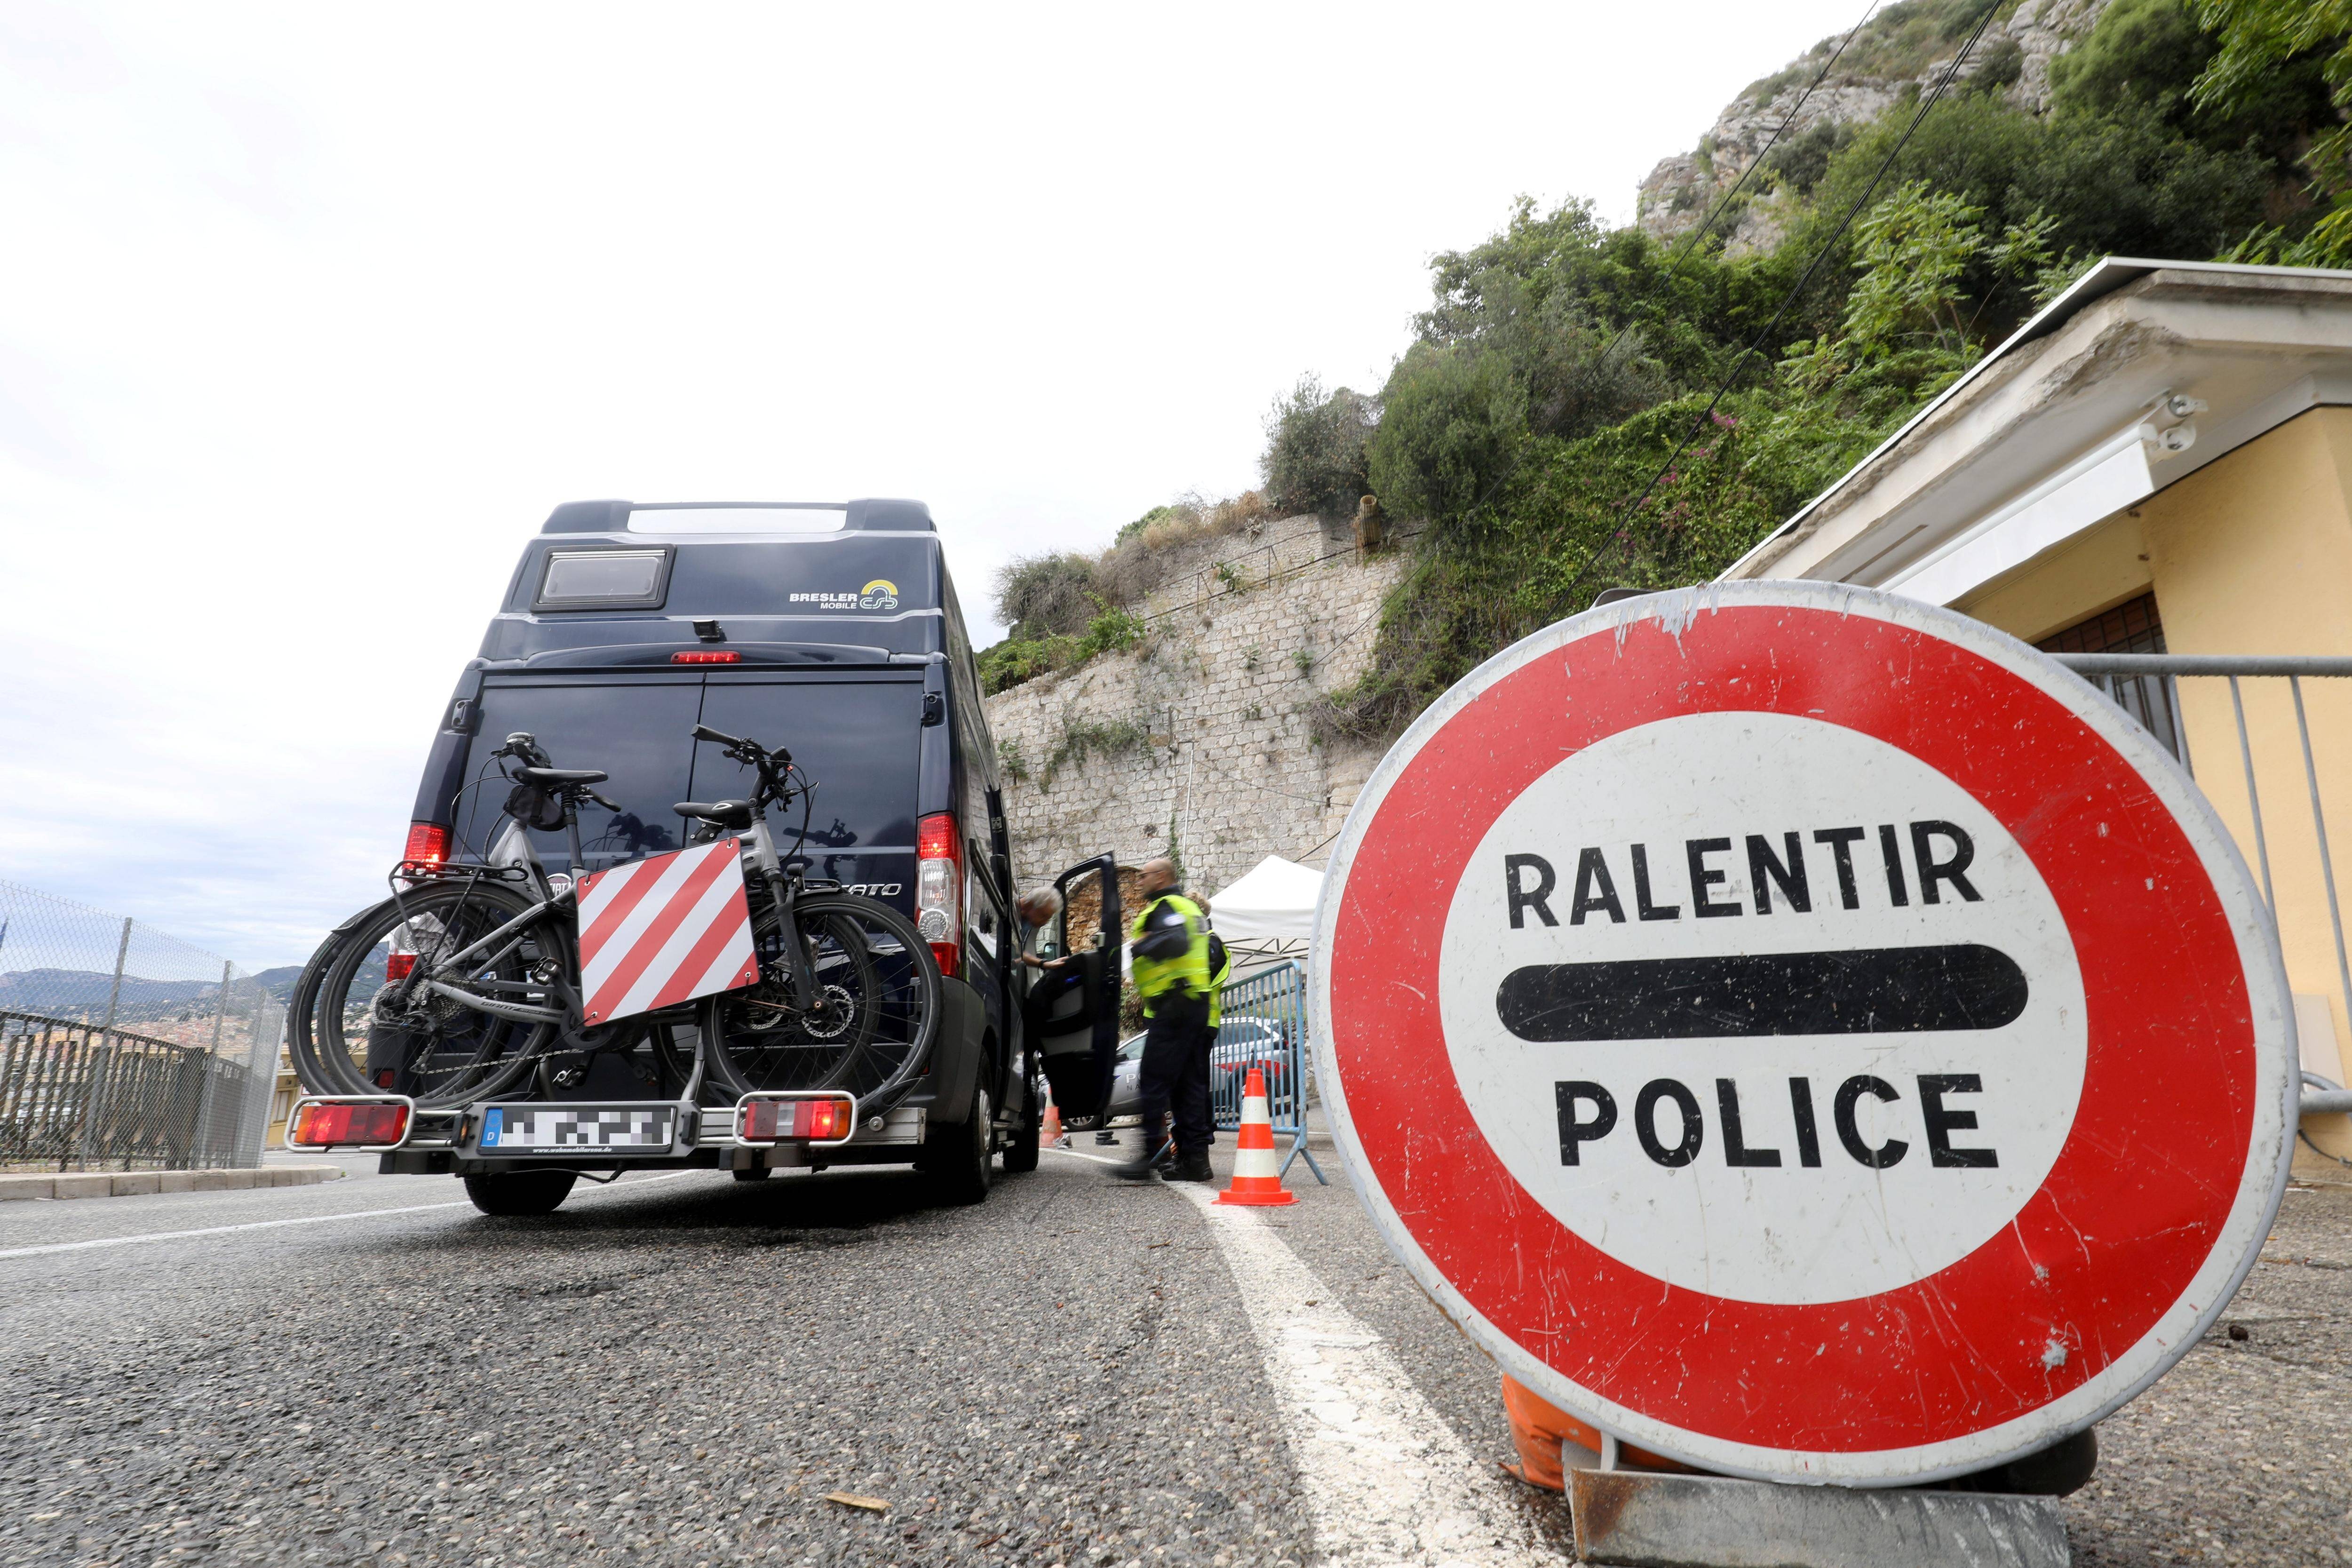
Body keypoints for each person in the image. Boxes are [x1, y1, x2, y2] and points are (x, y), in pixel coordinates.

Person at [1111, 857, 1215, 1184]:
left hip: (1175, 1005)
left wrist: (1139, 947)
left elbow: (1175, 940)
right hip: (1193, 1004)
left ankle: (1144, 1158)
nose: (1138, 881)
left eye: (1144, 876)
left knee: (1154, 1079)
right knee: (1188, 1087)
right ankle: (1194, 1160)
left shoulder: (1167, 905)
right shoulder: (1188, 906)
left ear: (1161, 877)